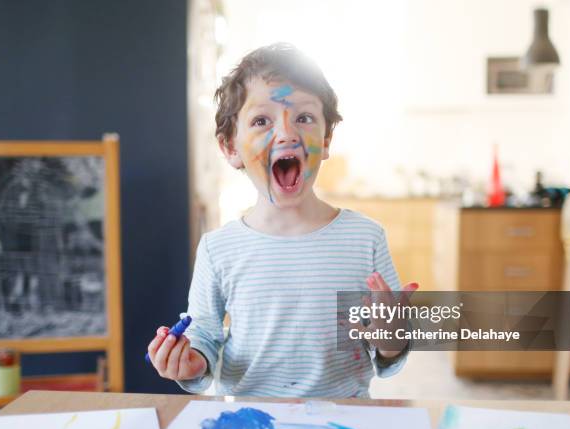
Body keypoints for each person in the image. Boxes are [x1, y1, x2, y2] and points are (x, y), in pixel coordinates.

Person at [147, 43, 417, 397]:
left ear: (326, 138)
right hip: (252, 422)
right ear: (230, 147)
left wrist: (392, 336)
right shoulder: (218, 249)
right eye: (262, 121)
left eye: (304, 118)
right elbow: (204, 338)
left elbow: (389, 350)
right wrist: (191, 362)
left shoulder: (366, 238)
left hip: (346, 419)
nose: (287, 134)